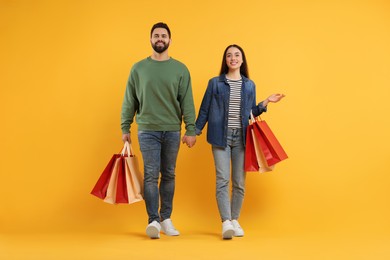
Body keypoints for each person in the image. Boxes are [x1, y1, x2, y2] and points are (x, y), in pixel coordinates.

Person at [195, 44, 285, 239]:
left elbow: (250, 113)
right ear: (225, 60)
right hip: (220, 137)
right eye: (229, 55)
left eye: (237, 55)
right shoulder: (215, 83)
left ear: (242, 60)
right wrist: (194, 131)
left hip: (242, 138)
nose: (233, 58)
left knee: (239, 182)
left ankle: (235, 220)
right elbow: (204, 110)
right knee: (222, 180)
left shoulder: (249, 85)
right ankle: (226, 221)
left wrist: (266, 102)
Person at [121, 22, 196, 239]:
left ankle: (166, 219)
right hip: (147, 130)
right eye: (156, 35)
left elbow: (187, 102)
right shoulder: (138, 68)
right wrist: (125, 126)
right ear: (150, 39)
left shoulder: (180, 69)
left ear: (170, 40)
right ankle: (153, 220)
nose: (160, 38)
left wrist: (190, 129)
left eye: (164, 35)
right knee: (151, 175)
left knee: (169, 174)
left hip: (172, 130)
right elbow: (129, 100)